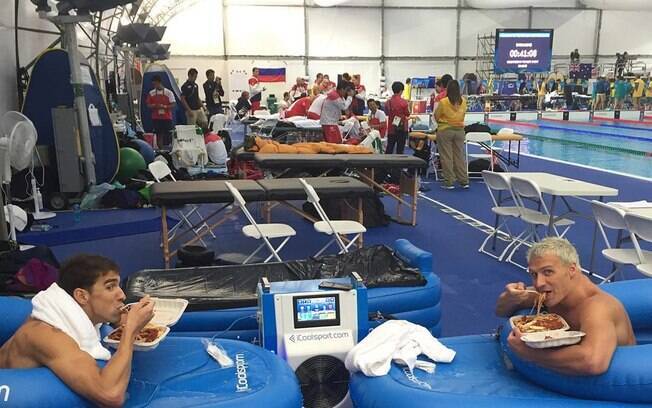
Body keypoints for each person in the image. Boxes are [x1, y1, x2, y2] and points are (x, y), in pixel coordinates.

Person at [0, 255, 155, 407]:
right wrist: (130, 332)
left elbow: (111, 318)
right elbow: (110, 395)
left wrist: (127, 319)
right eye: (110, 287)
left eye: (118, 286)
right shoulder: (48, 335)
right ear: (81, 296)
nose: (122, 295)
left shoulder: (68, 313)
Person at [496, 237, 636, 376]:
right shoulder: (551, 293)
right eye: (534, 274)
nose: (539, 283)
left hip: (621, 381)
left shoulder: (597, 307)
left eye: (548, 272)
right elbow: (501, 311)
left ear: (572, 269)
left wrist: (529, 354)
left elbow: (593, 362)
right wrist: (511, 297)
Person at [434, 79, 468, 189]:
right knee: (459, 156)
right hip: (459, 131)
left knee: (447, 156)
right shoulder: (463, 101)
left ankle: (449, 181)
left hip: (445, 130)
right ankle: (464, 180)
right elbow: (463, 116)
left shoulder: (444, 102)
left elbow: (437, 116)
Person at [145, 75, 176, 149]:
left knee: (169, 134)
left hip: (166, 117)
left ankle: (170, 148)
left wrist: (165, 107)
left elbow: (173, 104)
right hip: (156, 117)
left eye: (156, 84)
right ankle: (161, 149)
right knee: (159, 134)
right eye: (153, 84)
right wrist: (155, 105)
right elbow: (148, 105)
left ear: (160, 82)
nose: (155, 86)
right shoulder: (151, 93)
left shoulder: (169, 93)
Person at [385, 81, 410, 154]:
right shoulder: (404, 102)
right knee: (400, 149)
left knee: (389, 148)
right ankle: (399, 164)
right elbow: (407, 114)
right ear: (401, 91)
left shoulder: (388, 102)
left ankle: (386, 164)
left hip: (391, 128)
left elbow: (387, 113)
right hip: (401, 128)